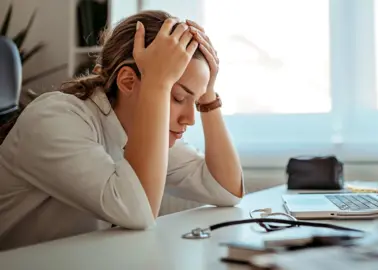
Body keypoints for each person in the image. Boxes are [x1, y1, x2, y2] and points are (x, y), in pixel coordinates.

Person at [0, 10, 244, 251]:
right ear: (127, 81)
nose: (191, 119)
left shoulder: (135, 128)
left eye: (196, 101)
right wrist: (156, 85)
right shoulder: (53, 118)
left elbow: (227, 189)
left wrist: (208, 96)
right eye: (178, 97)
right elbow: (138, 212)